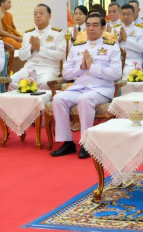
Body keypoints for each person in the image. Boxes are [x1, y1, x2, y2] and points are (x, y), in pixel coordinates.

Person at [50, 12, 122, 158]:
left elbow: (116, 74)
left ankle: (87, 143)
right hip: (80, 87)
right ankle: (67, 142)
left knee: (85, 99)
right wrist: (81, 67)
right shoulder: (77, 47)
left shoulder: (112, 47)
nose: (90, 29)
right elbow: (66, 74)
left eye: (95, 25)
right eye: (88, 25)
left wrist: (92, 67)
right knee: (58, 99)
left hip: (101, 89)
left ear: (103, 28)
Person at [8, 4, 65, 91]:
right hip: (29, 68)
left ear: (49, 16)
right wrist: (31, 48)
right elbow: (22, 56)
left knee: (44, 83)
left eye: (41, 13)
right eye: (35, 14)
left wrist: (39, 48)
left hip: (48, 69)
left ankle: (40, 104)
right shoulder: (28, 33)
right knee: (10, 82)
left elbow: (60, 55)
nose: (37, 16)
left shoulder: (57, 33)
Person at [114, 4, 143, 77]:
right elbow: (108, 47)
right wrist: (118, 40)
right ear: (120, 15)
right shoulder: (115, 29)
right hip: (116, 61)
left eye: (129, 14)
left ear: (133, 15)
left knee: (127, 76)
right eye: (123, 14)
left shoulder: (141, 29)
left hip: (133, 62)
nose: (126, 17)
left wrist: (126, 39)